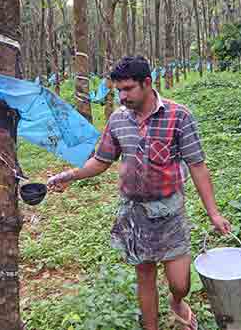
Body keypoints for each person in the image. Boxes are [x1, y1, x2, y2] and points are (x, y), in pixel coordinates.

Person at [47, 56, 231, 330]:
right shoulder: (118, 120)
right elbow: (102, 160)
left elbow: (197, 166)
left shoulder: (178, 115)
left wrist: (213, 213)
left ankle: (177, 302)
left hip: (171, 212)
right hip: (135, 214)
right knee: (145, 276)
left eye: (128, 89)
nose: (122, 96)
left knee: (180, 282)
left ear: (147, 83)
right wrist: (70, 176)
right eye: (118, 89)